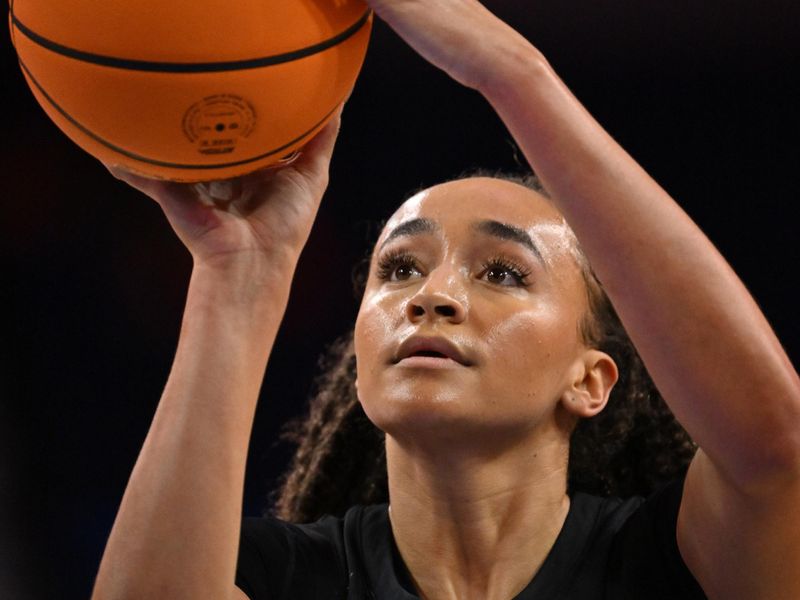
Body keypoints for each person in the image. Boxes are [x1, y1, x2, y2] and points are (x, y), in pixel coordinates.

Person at [90, 2, 800, 599]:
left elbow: (775, 448)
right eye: (398, 268)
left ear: (589, 380)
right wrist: (237, 273)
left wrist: (512, 73)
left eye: (502, 273)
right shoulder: (292, 579)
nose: (432, 295)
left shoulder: (670, 568)